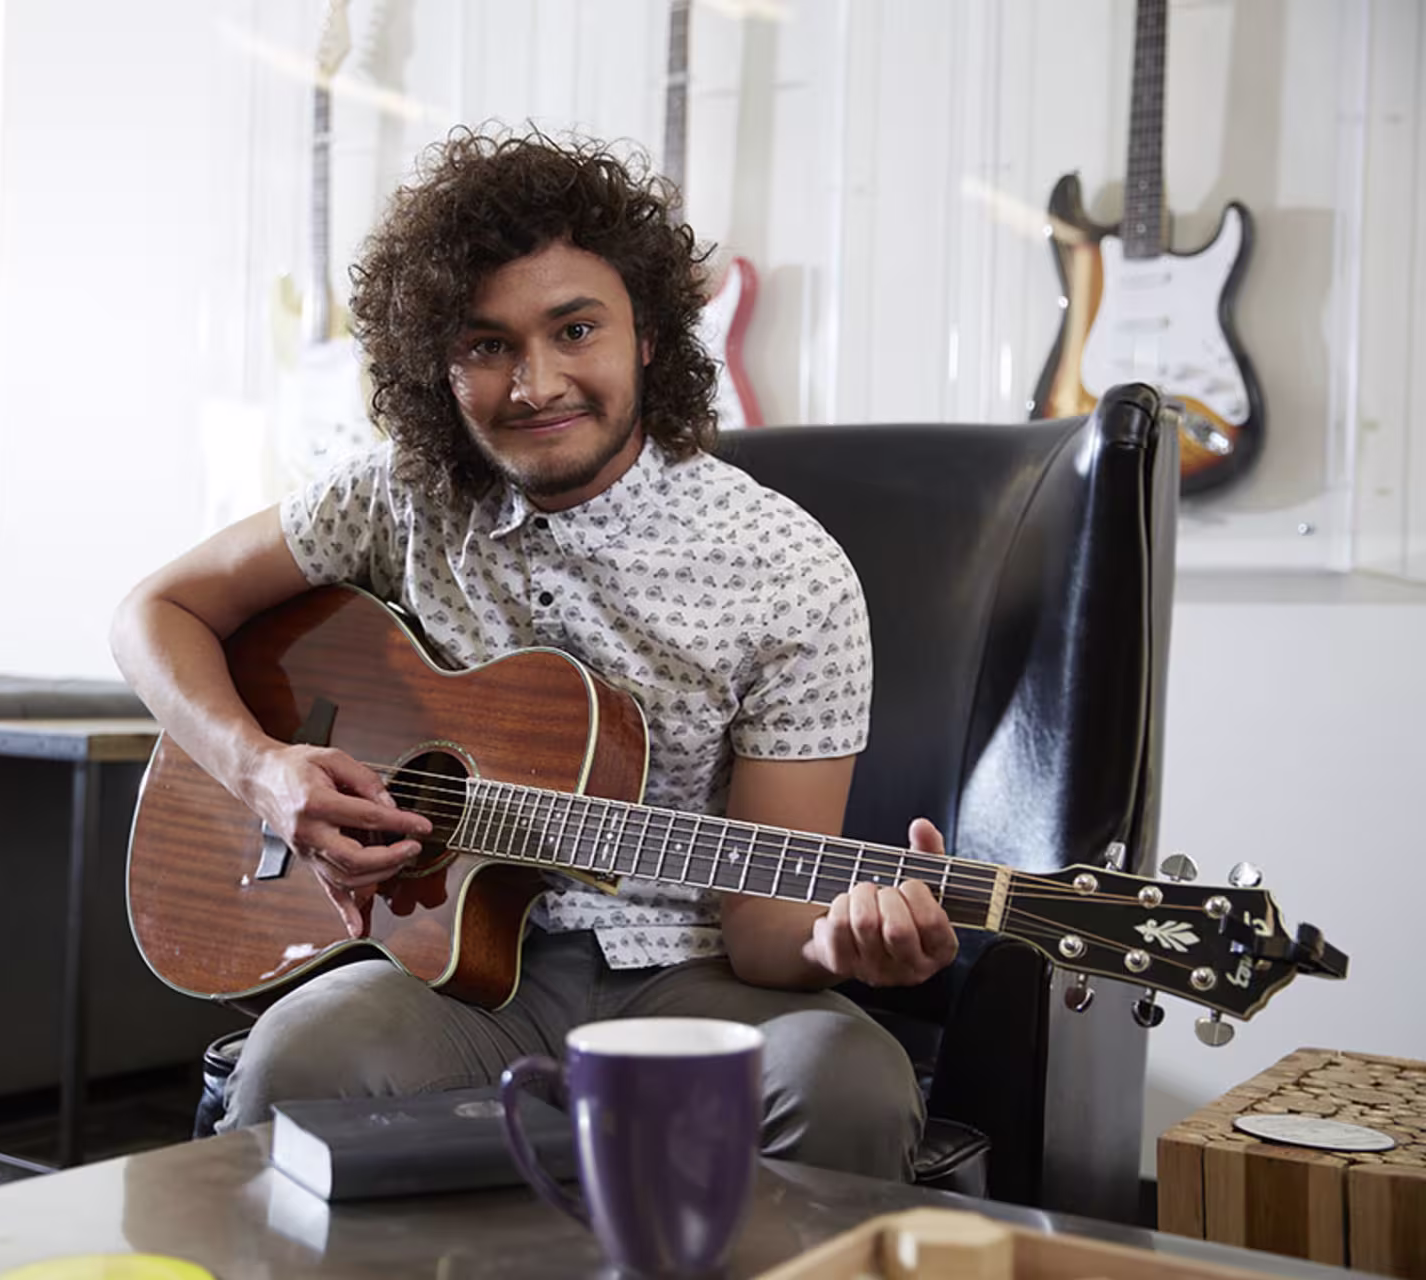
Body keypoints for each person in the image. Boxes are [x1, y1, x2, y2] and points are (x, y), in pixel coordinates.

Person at [110, 129, 958, 1180]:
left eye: (575, 328)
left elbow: (765, 934)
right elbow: (154, 612)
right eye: (486, 344)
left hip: (692, 977)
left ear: (648, 334)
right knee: (295, 1056)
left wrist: (846, 943)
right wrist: (261, 766)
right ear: (438, 364)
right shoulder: (394, 496)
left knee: (849, 1080)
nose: (536, 382)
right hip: (441, 973)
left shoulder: (787, 569)